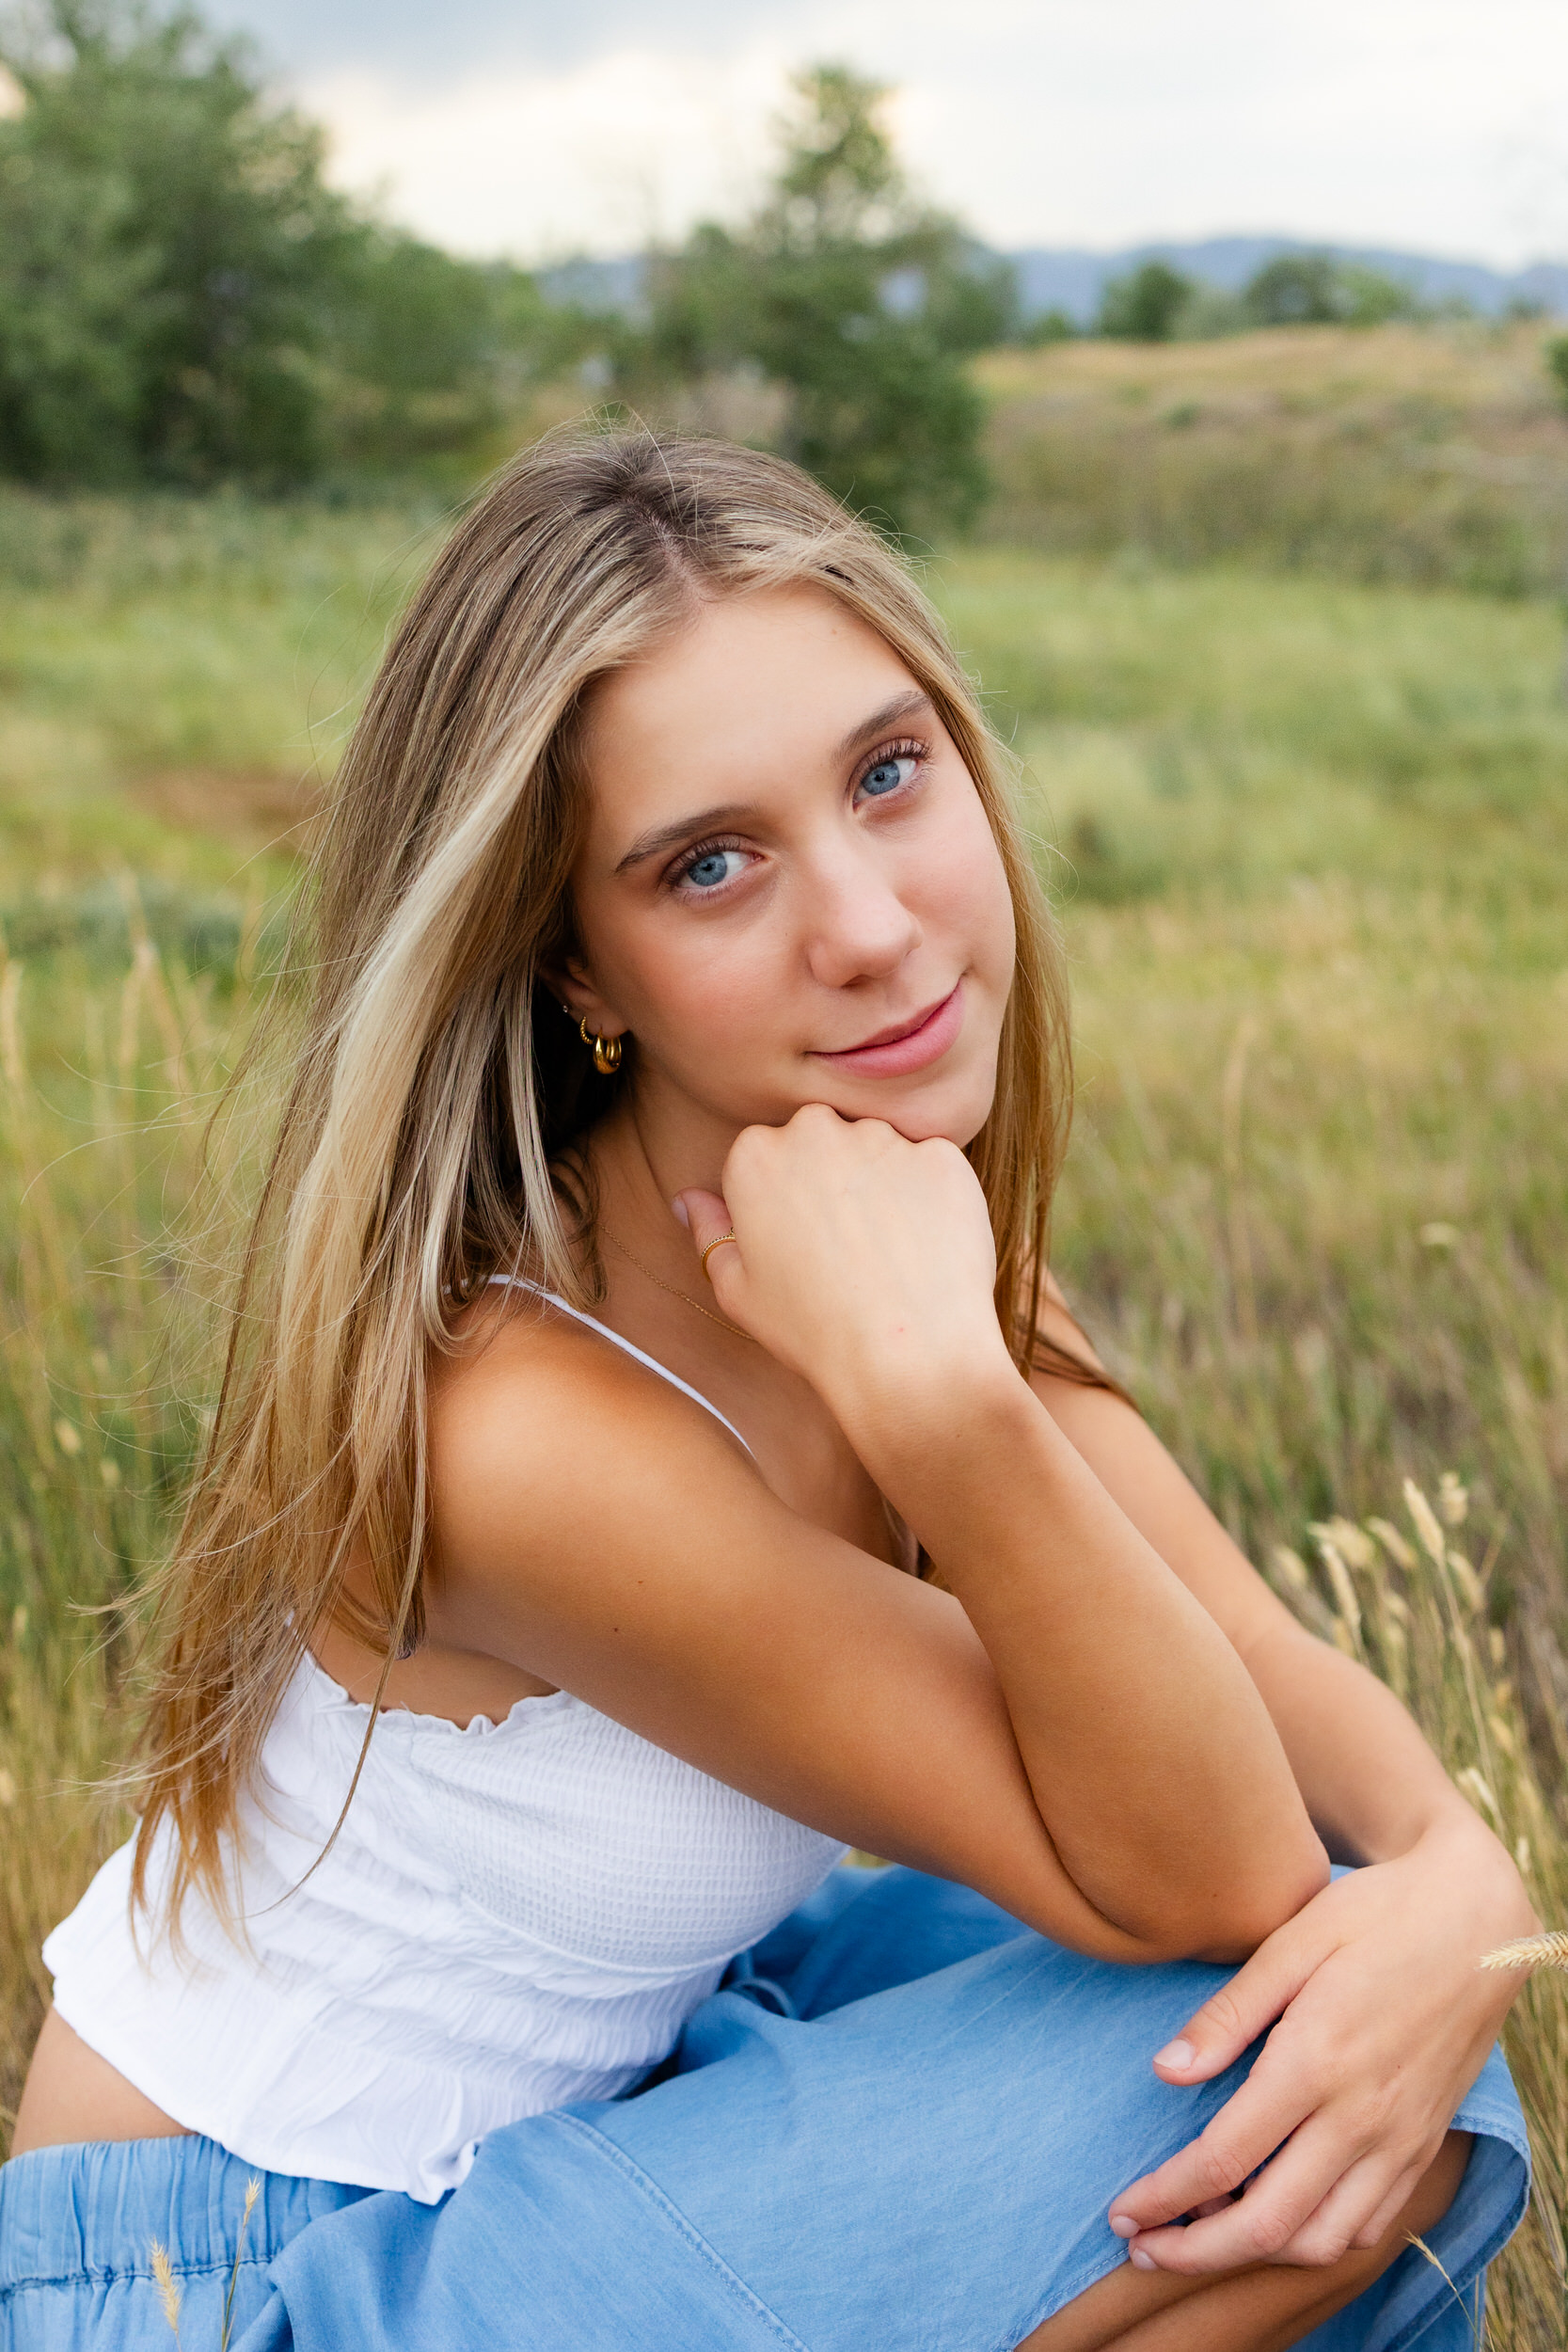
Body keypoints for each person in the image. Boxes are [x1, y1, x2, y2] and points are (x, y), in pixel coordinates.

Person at [1, 433, 1532, 2352]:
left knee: (1374, 2034)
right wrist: (948, 1414)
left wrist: (1460, 1881)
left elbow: (1276, 1698)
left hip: (574, 2138)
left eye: (890, 774)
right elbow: (1214, 1860)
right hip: (239, 2270)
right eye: (709, 863)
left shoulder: (889, 1228)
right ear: (578, 962)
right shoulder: (524, 1434)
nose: (873, 924)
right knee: (1279, 2064)